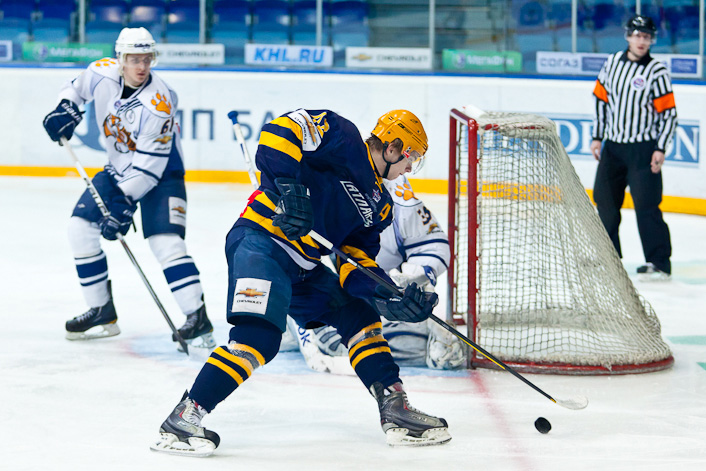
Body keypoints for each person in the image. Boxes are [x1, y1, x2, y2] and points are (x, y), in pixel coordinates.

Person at [151, 109, 451, 456]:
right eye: (411, 157)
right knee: (259, 337)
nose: (410, 168)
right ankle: (184, 417)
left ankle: (395, 408)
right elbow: (279, 131)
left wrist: (387, 294)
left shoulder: (381, 206)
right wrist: (290, 188)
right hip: (260, 243)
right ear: (394, 146)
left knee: (359, 316)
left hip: (302, 267)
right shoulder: (342, 135)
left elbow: (354, 262)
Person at [42, 27, 214, 348]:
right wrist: (64, 108)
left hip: (162, 173)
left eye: (147, 59)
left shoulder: (160, 102)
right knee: (80, 229)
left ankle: (197, 317)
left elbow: (148, 169)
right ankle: (101, 311)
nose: (142, 66)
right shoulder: (101, 72)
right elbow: (74, 90)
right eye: (134, 59)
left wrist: (123, 204)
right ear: (120, 59)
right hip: (118, 167)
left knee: (165, 243)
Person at [284, 174, 464, 373]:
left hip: (381, 297)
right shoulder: (319, 192)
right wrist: (308, 343)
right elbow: (297, 271)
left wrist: (416, 275)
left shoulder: (398, 195)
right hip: (329, 299)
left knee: (376, 332)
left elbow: (431, 245)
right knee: (332, 340)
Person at [590, 15, 678, 282]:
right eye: (638, 35)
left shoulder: (656, 71)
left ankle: (659, 263)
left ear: (652, 40)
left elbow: (668, 114)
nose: (642, 41)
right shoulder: (612, 62)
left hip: (643, 150)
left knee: (647, 206)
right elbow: (601, 100)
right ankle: (609, 257)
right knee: (605, 202)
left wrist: (660, 148)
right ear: (628, 36)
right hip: (613, 148)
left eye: (647, 37)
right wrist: (597, 136)